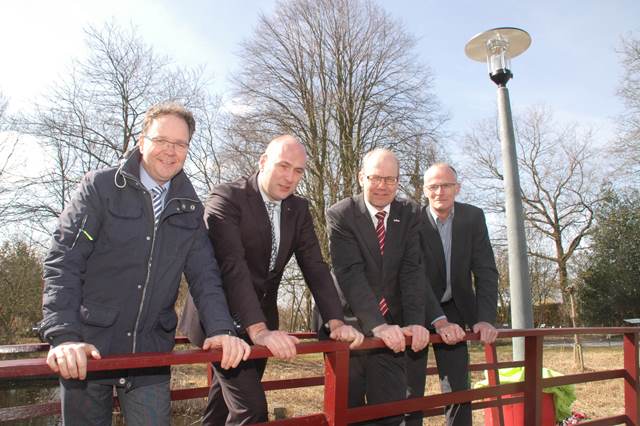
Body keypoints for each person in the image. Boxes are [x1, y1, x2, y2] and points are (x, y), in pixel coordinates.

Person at [39, 102, 250, 426]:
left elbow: (205, 274)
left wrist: (221, 329)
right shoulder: (101, 188)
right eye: (161, 140)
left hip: (149, 354)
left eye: (180, 144)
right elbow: (64, 261)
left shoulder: (190, 207)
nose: (170, 151)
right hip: (88, 350)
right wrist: (64, 335)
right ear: (141, 141)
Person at [179, 135, 364, 425]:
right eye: (283, 166)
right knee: (251, 409)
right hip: (222, 321)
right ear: (263, 162)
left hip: (262, 320)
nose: (290, 177)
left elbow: (315, 265)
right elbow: (232, 266)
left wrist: (336, 321)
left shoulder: (299, 209)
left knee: (222, 409)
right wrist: (259, 331)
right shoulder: (227, 197)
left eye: (299, 171)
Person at [326, 148, 430, 426]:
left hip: (393, 331)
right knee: (347, 414)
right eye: (375, 178)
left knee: (389, 413)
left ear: (398, 181)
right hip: (350, 325)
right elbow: (350, 273)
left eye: (390, 179)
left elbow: (412, 270)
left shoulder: (411, 213)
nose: (383, 186)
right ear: (362, 177)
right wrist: (376, 325)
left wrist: (416, 323)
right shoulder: (341, 214)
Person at [407, 163, 499, 426]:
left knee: (459, 390)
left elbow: (486, 270)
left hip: (457, 310)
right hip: (419, 310)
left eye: (446, 185)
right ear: (424, 190)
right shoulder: (412, 220)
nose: (440, 192)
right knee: (411, 391)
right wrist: (437, 320)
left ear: (457, 188)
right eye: (433, 186)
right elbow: (415, 277)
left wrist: (484, 319)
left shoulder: (473, 217)